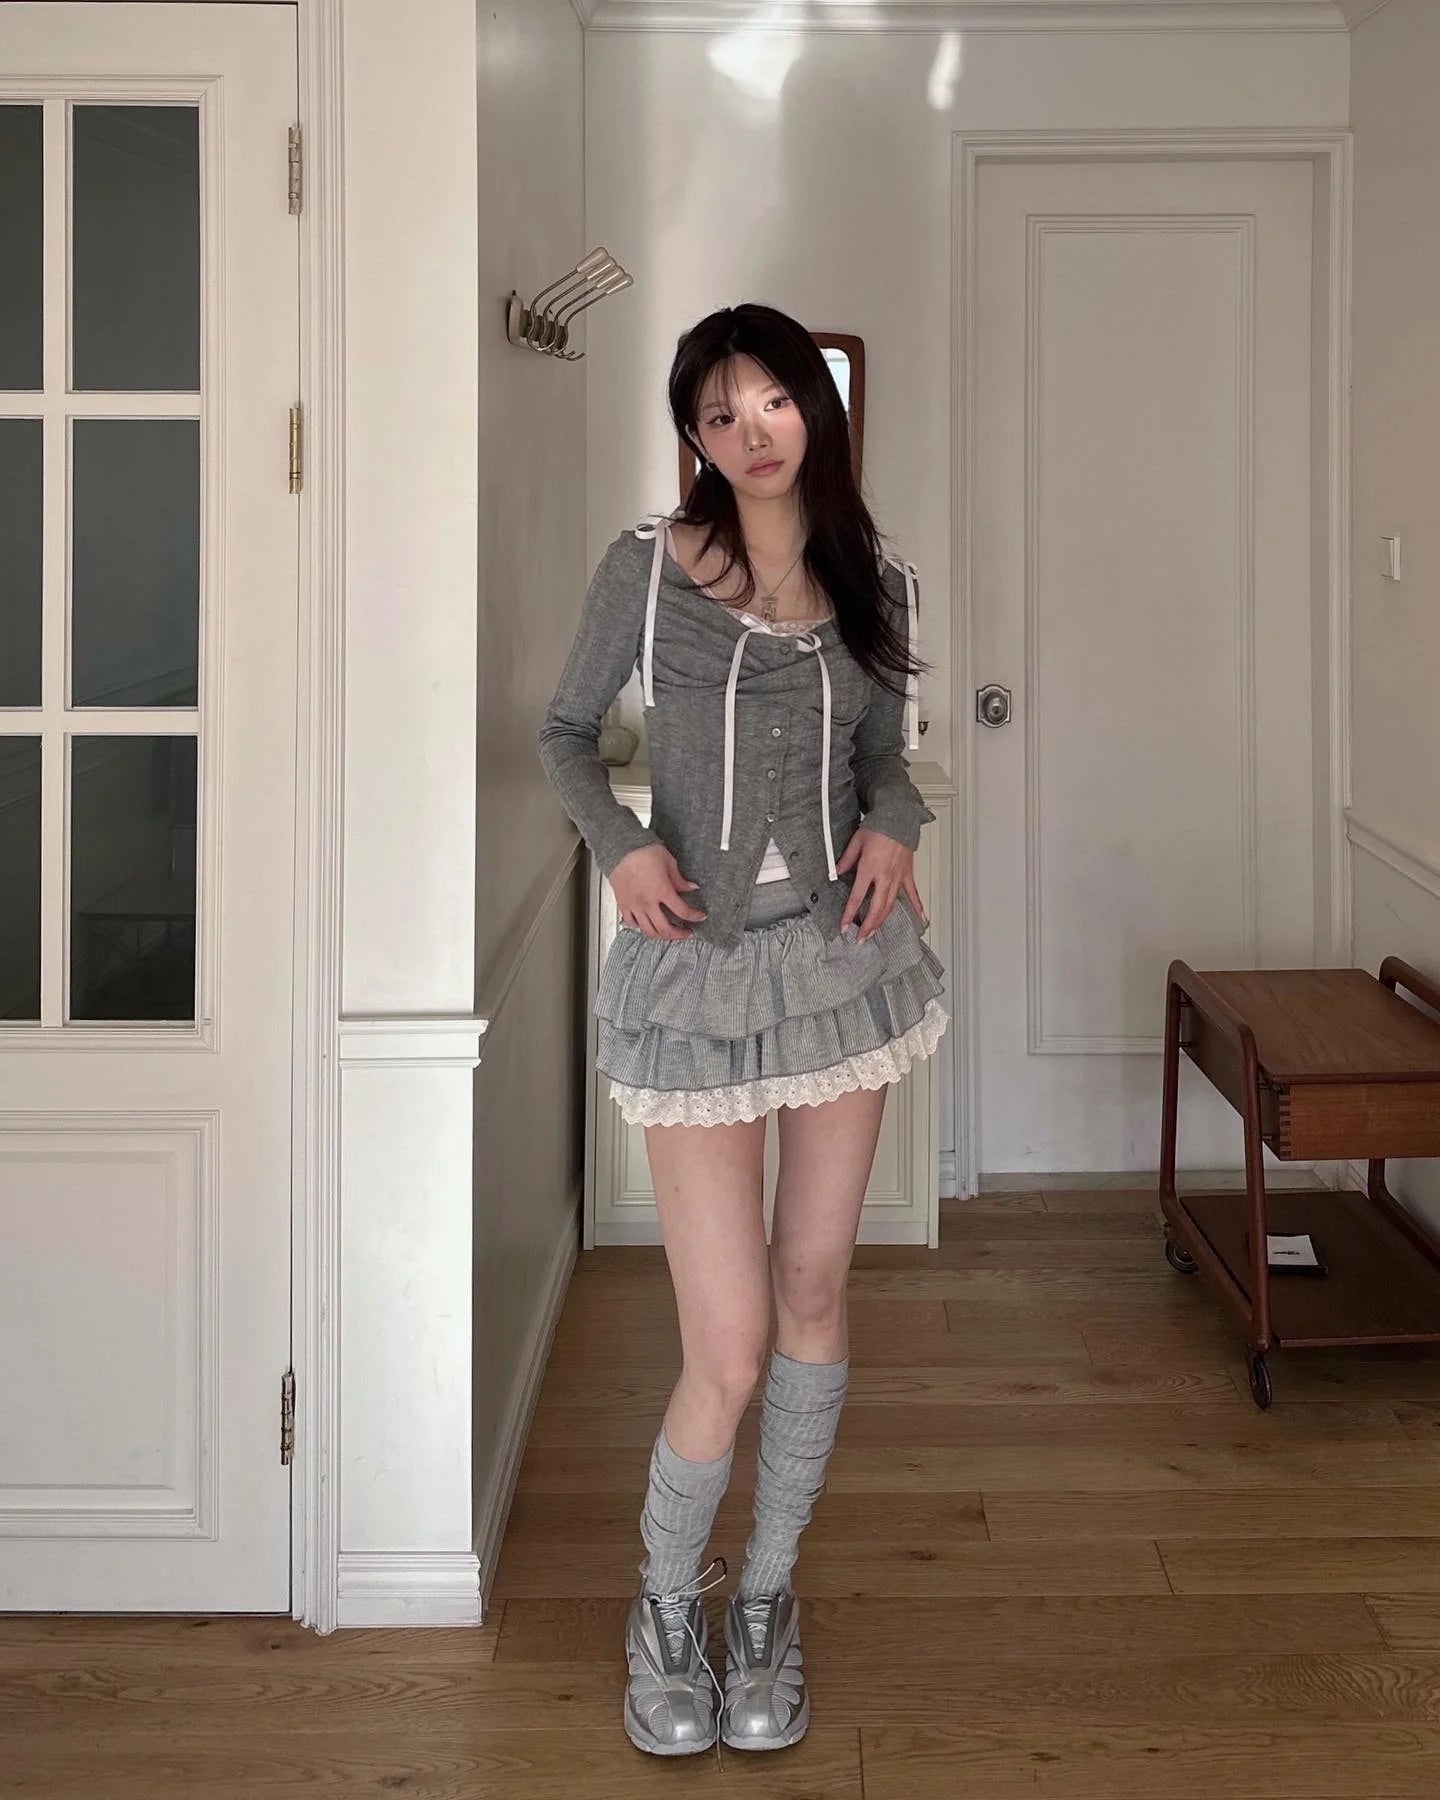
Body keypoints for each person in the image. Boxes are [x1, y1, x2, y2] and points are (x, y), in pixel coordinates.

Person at [535, 302, 949, 1765]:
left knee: (814, 1288)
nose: (752, 429)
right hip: (697, 980)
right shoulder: (646, 571)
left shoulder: (874, 579)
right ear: (696, 439)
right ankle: (667, 1606)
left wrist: (896, 826)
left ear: (814, 409)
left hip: (840, 967)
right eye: (720, 413)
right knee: (726, 1344)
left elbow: (887, 761)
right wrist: (624, 851)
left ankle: (765, 1596)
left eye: (775, 399)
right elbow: (563, 734)